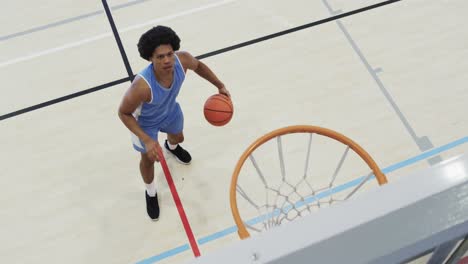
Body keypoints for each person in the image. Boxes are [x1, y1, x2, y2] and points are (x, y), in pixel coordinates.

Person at [118, 25, 230, 221]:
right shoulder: (141, 86)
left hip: (169, 110)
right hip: (145, 124)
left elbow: (199, 66)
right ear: (150, 58)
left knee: (179, 137)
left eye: (169, 54)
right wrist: (147, 140)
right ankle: (151, 192)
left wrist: (219, 85)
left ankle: (171, 146)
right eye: (160, 56)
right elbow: (124, 113)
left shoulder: (183, 60)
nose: (167, 60)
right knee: (148, 160)